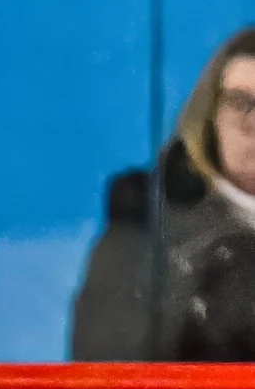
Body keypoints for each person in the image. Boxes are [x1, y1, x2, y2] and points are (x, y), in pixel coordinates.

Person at [73, 26, 255, 360]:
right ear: (210, 112)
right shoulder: (148, 220)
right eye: (239, 102)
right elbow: (107, 362)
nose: (252, 122)